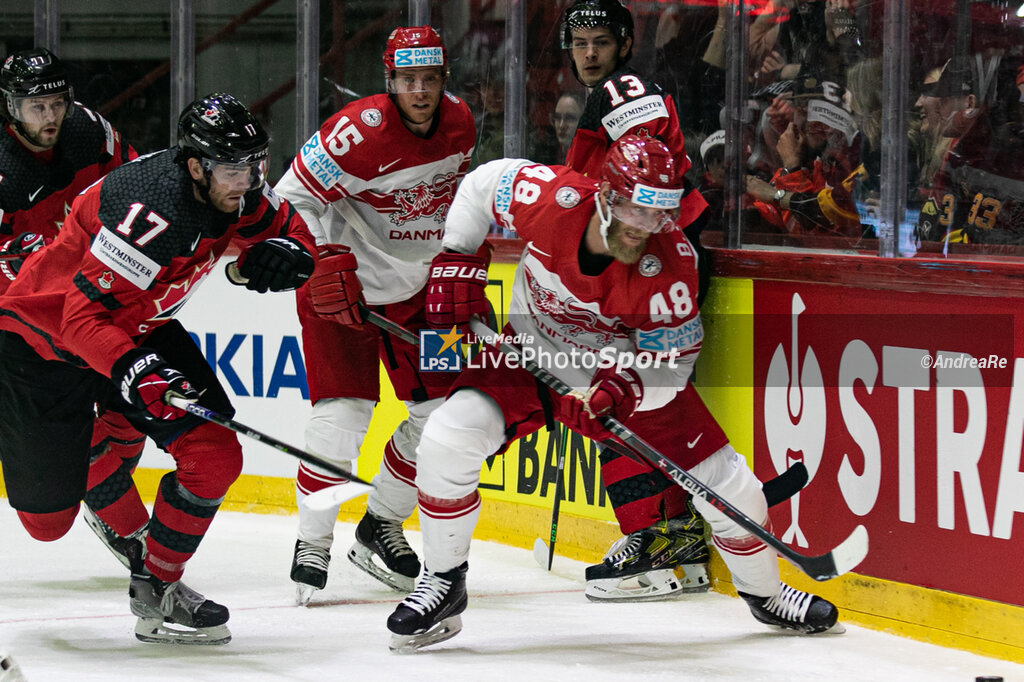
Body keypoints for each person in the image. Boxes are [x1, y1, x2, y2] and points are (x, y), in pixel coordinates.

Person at [385, 135, 841, 652]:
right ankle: (444, 582)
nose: (643, 227)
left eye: (659, 214)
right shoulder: (550, 197)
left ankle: (766, 593)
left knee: (731, 484)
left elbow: (673, 365)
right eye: (633, 208)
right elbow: (480, 184)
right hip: (526, 356)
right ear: (605, 193)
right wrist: (456, 254)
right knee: (446, 436)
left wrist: (624, 391)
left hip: (614, 375)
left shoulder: (671, 267)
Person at [0, 92, 317, 644]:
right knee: (46, 524)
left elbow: (290, 232)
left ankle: (157, 586)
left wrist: (293, 256)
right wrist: (137, 371)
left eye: (255, 164)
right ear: (194, 166)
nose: (247, 180)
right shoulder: (151, 211)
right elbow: (79, 317)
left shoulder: (240, 189)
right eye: (233, 168)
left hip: (136, 325)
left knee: (215, 455)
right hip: (43, 339)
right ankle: (90, 449)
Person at [273, 25, 479, 605]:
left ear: (443, 81)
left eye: (430, 79)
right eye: (408, 79)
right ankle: (312, 541)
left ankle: (380, 523)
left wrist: (461, 257)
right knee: (342, 418)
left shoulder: (461, 121)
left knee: (445, 414)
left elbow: (456, 197)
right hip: (339, 286)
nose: (419, 90)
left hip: (422, 290)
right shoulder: (353, 132)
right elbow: (288, 197)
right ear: (390, 81)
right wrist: (321, 260)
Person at [560, 0, 713, 601]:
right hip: (642, 254)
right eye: (580, 44)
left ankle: (656, 536)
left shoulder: (624, 90)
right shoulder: (602, 97)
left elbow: (645, 174)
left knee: (623, 395)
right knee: (636, 395)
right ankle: (671, 533)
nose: (590, 54)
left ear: (624, 44)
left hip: (654, 255)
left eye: (601, 41)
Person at [0, 47, 152, 570]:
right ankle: (78, 466)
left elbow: (139, 186)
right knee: (45, 525)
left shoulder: (89, 130)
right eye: (34, 106)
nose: (49, 116)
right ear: (10, 107)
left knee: (138, 404)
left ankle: (116, 511)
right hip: (27, 324)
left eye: (57, 103)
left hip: (99, 299)